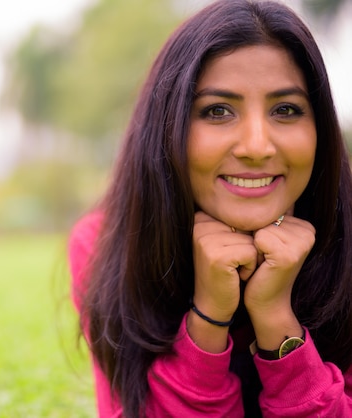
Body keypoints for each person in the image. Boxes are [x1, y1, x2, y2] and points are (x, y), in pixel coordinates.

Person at [67, 0, 352, 416]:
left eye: (286, 109)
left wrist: (275, 316)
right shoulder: (105, 246)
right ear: (169, 128)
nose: (257, 146)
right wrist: (208, 319)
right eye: (217, 111)